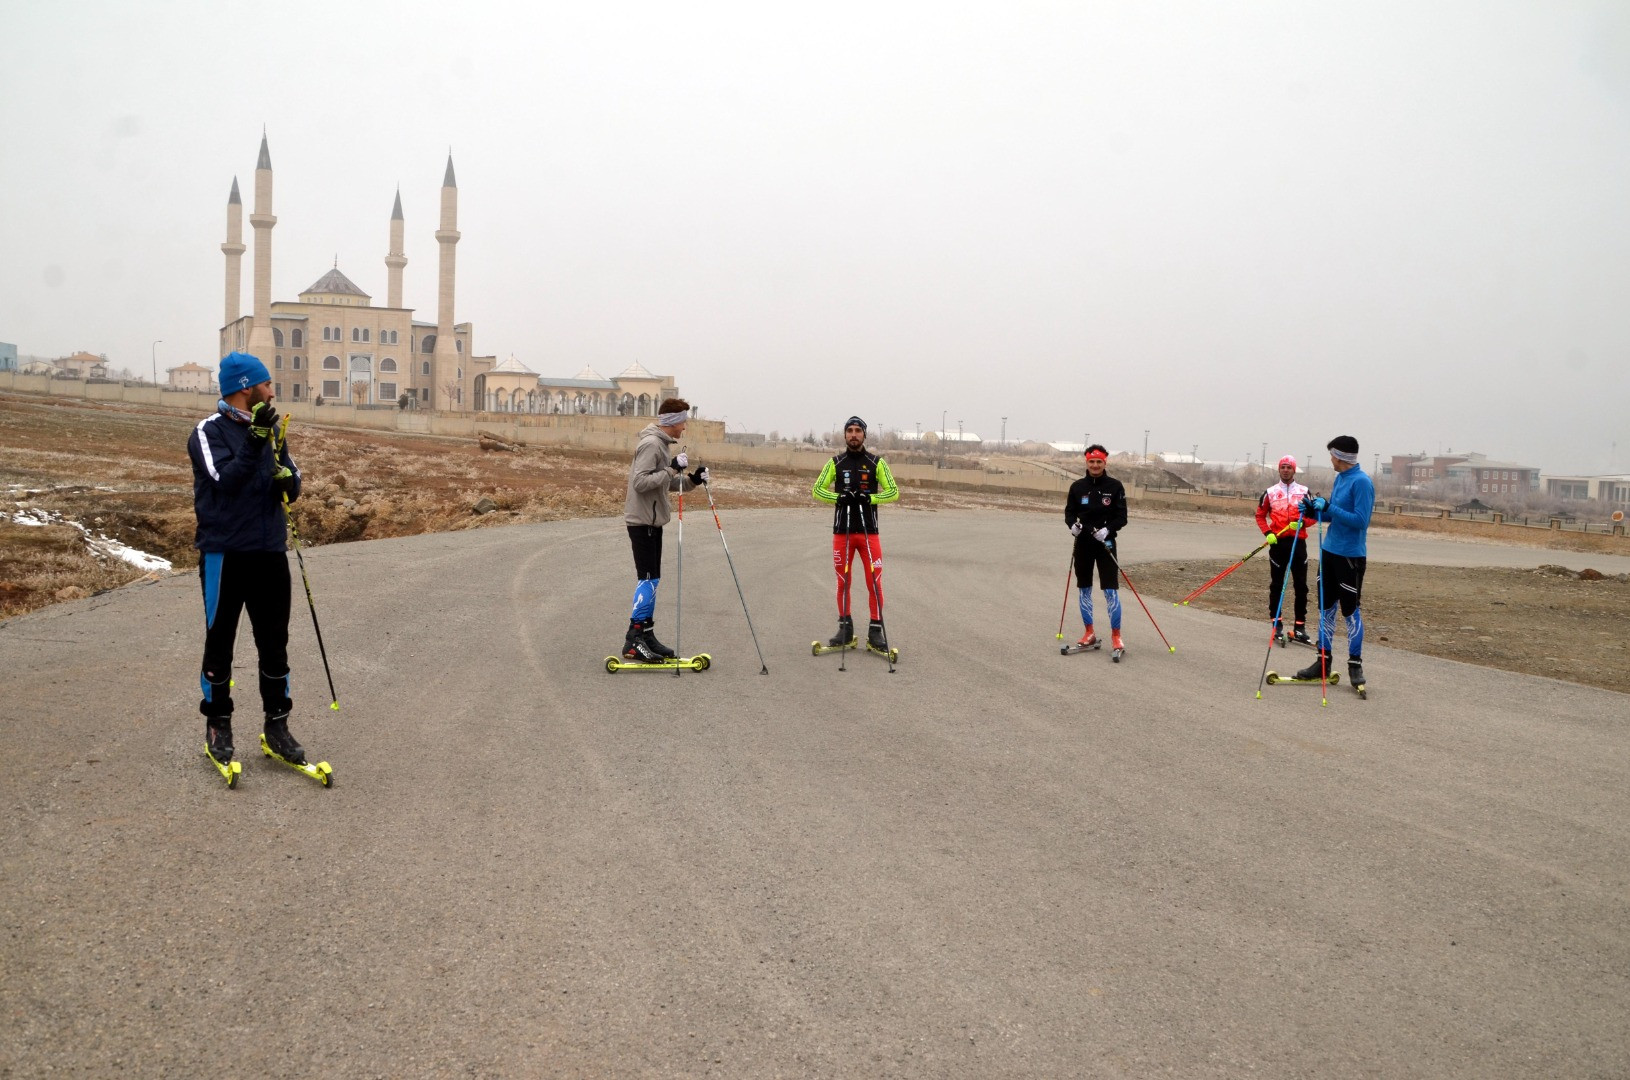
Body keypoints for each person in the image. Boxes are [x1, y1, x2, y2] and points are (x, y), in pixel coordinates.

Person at [187, 351, 308, 772]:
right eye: (267, 384)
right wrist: (256, 438)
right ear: (245, 388)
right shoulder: (207, 432)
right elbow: (225, 480)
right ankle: (218, 725)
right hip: (225, 553)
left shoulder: (274, 430)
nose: (272, 391)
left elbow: (294, 480)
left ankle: (277, 726)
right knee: (220, 642)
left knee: (274, 644)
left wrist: (287, 481)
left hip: (270, 552)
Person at [622, 398, 708, 662]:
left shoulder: (659, 443)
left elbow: (662, 485)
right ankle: (634, 639)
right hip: (643, 521)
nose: (684, 427)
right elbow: (640, 482)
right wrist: (671, 468)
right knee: (647, 579)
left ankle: (646, 634)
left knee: (653, 580)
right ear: (672, 422)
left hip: (653, 520)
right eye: (682, 421)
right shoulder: (651, 444)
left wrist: (691, 479)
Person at [1294, 435, 1376, 688]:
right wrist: (1314, 510)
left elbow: (1360, 520)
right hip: (1329, 552)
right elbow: (1335, 516)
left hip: (1350, 556)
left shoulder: (1362, 482)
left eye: (1332, 454)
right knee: (1326, 609)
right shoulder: (1341, 478)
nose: (1330, 459)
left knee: (1350, 611)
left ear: (1341, 457)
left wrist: (1329, 506)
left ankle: (1354, 665)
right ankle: (1323, 661)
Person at [812, 416, 899, 649]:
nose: (853, 434)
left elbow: (893, 492)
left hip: (869, 532)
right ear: (844, 435)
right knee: (843, 581)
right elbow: (817, 490)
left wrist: (870, 497)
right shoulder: (835, 463)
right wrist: (838, 497)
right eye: (849, 430)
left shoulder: (876, 463)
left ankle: (875, 630)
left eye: (857, 430)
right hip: (843, 532)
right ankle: (845, 628)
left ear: (864, 435)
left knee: (874, 582)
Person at [1063, 445, 1128, 652]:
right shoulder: (1077, 487)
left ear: (1105, 463)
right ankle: (1089, 632)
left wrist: (1108, 530)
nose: (1095, 465)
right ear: (1086, 462)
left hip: (1105, 543)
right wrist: (1072, 525)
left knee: (1110, 590)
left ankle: (1116, 636)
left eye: (1099, 461)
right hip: (1083, 543)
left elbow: (1122, 517)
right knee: (1084, 588)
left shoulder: (1115, 486)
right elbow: (1070, 513)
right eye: (1092, 461)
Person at [1255, 455, 1311, 644]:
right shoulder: (1270, 492)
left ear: (1294, 470)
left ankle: (1300, 626)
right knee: (1277, 585)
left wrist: (1303, 523)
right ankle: (1276, 623)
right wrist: (1267, 533)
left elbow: (1314, 515)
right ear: (1279, 470)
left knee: (1301, 586)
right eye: (1283, 467)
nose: (1286, 470)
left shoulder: (1304, 491)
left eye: (1289, 467)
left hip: (1298, 543)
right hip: (1278, 543)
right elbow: (1260, 516)